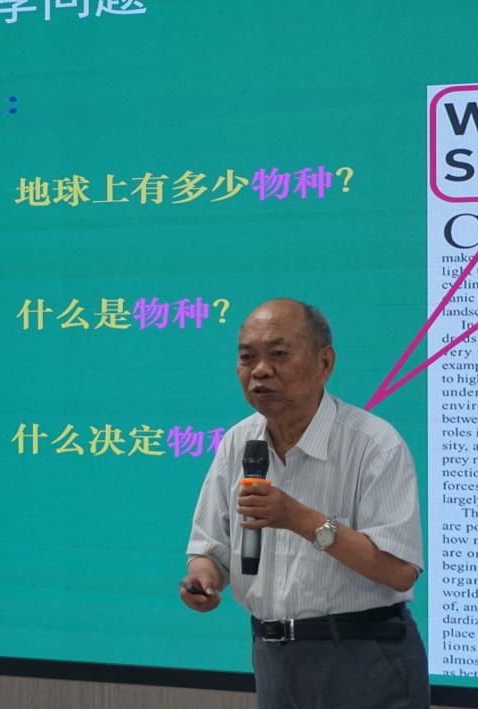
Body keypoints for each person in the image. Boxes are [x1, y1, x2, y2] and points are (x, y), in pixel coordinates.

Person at [181, 298, 428, 709]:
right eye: (247, 358)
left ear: (324, 363)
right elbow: (211, 550)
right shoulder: (238, 442)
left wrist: (298, 518)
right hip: (273, 659)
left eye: (278, 355)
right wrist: (202, 580)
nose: (260, 370)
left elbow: (400, 570)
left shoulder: (374, 444)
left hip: (362, 656)